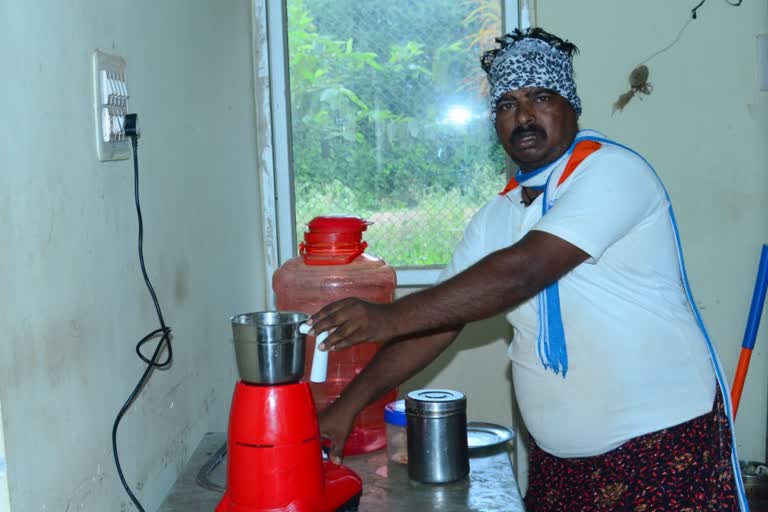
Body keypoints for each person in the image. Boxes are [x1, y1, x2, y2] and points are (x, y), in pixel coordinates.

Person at [304, 28, 746, 511]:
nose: (524, 117)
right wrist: (348, 405)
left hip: (659, 450)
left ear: (571, 107)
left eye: (540, 98)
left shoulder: (612, 173)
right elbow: (441, 319)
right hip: (558, 465)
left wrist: (385, 316)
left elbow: (523, 271)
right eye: (507, 105)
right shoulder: (501, 214)